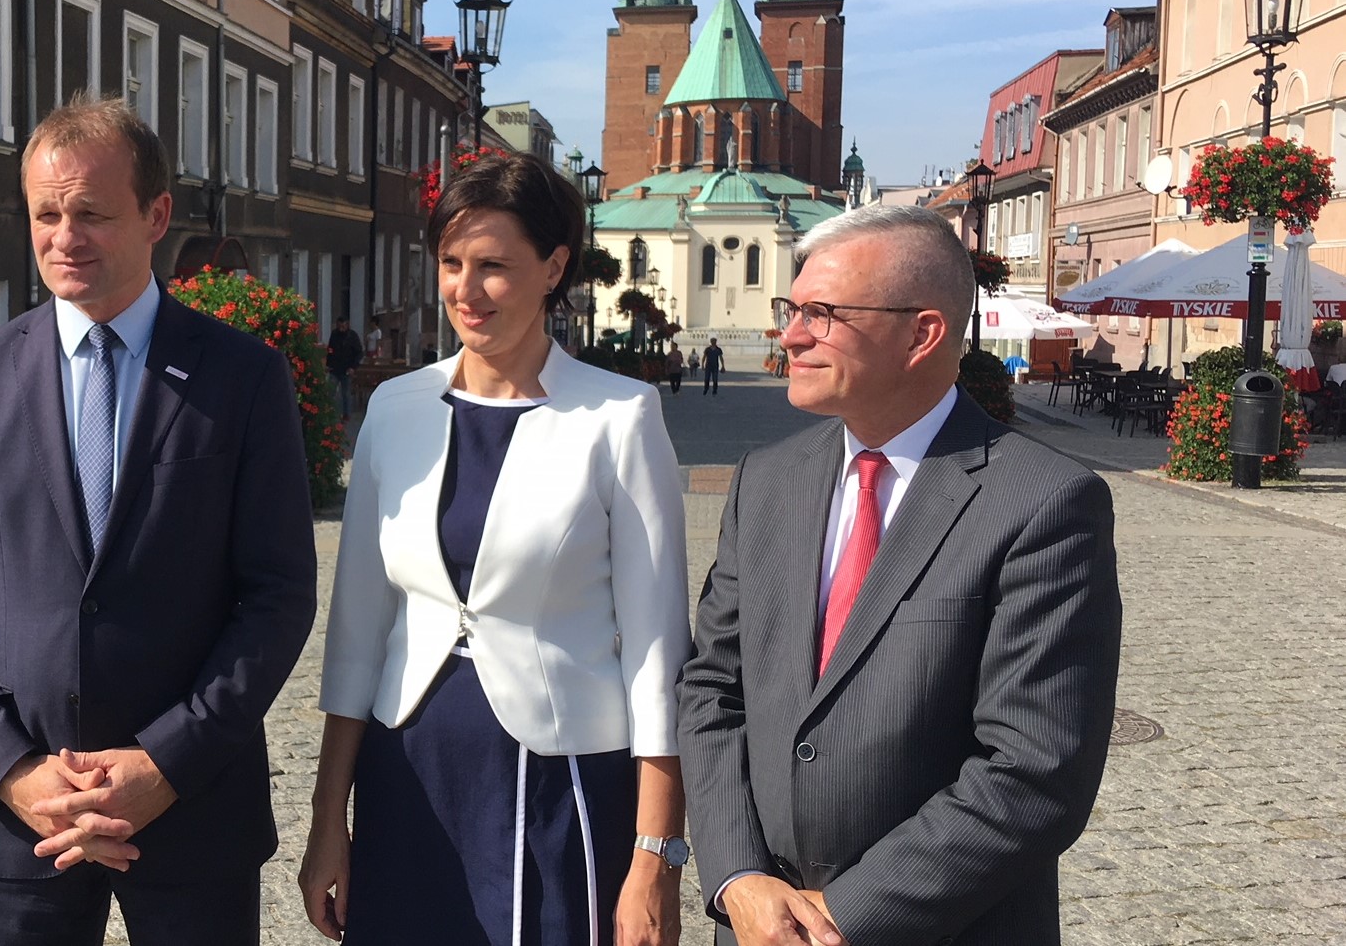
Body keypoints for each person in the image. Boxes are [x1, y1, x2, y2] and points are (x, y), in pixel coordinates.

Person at [0, 96, 316, 946]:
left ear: (156, 215)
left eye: (91, 213)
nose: (64, 237)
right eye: (46, 213)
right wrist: (10, 769)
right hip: (28, 818)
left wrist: (167, 762)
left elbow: (275, 595)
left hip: (192, 807)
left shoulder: (241, 379)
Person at [678, 203, 1121, 946]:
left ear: (921, 333)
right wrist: (736, 877)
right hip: (756, 923)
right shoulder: (766, 480)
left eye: (822, 314)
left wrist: (842, 917)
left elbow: (1033, 770)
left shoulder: (1042, 501)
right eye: (793, 309)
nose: (789, 334)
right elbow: (712, 689)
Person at [300, 153, 690, 946]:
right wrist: (325, 820)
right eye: (450, 263)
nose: (465, 291)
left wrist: (655, 858)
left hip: (558, 774)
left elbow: (657, 655)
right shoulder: (395, 408)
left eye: (493, 267)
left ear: (552, 268)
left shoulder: (620, 416)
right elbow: (356, 635)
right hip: (407, 769)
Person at [327, 315, 363, 418]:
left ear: (347, 325)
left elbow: (359, 353)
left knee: (346, 393)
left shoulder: (352, 336)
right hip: (334, 368)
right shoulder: (334, 334)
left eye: (343, 326)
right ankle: (328, 413)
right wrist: (328, 364)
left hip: (347, 369)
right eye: (339, 326)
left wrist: (353, 367)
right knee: (330, 391)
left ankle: (346, 414)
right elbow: (330, 350)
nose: (341, 328)